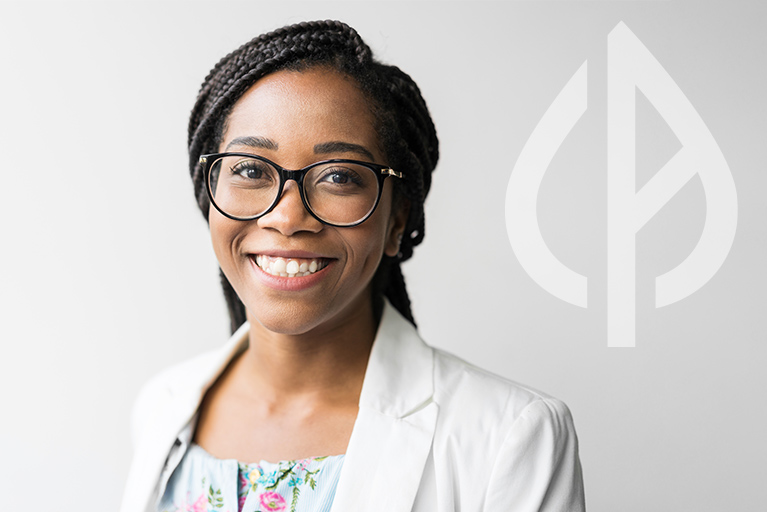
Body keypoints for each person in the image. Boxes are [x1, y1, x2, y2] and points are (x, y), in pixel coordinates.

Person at [120, 20, 585, 512]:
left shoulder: (511, 437)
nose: (287, 216)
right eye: (251, 170)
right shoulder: (163, 407)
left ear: (396, 218)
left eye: (339, 176)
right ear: (209, 194)